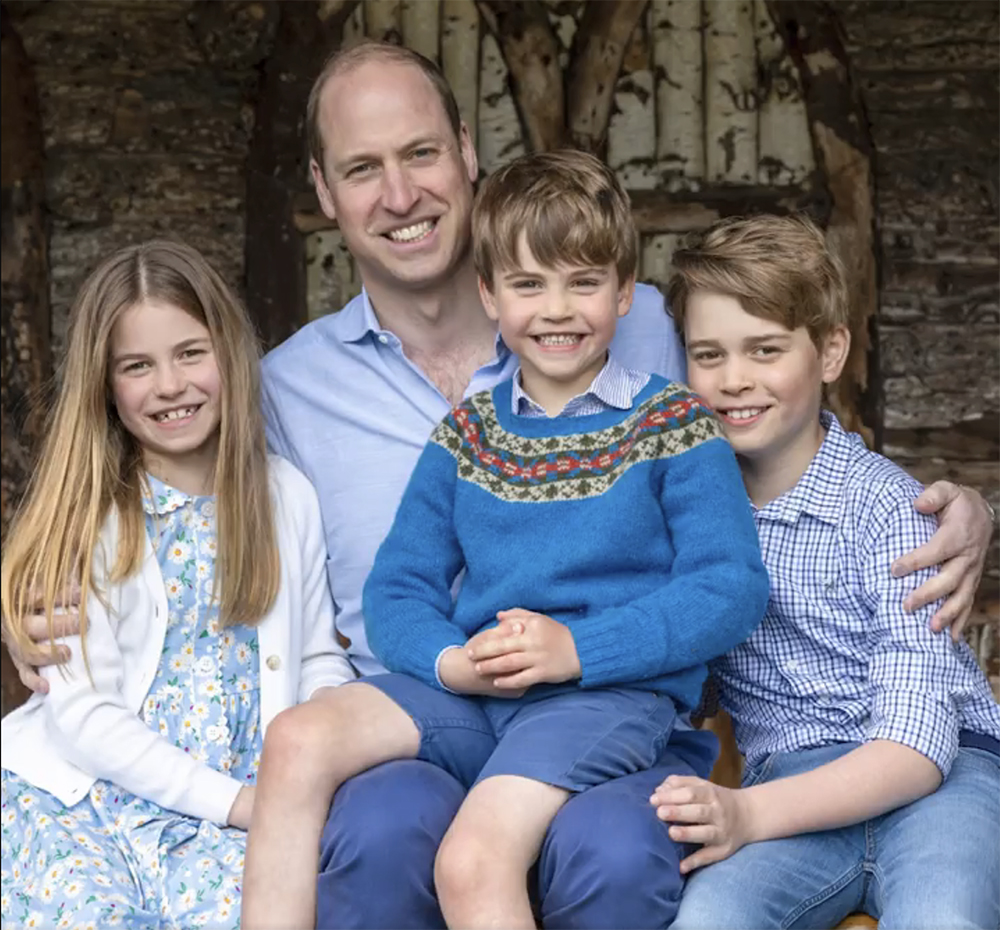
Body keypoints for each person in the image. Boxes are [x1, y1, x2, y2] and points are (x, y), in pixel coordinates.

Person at [3, 40, 994, 929]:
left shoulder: (659, 356)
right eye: (362, 168)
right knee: (345, 785)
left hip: (609, 699)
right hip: (443, 693)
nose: (398, 193)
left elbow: (777, 426)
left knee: (576, 851)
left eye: (420, 154)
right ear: (323, 189)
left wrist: (954, 502)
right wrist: (34, 579)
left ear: (468, 154)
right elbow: (163, 470)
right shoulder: (311, 396)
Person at [241, 149, 771, 929]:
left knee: (472, 861)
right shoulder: (468, 435)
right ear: (489, 294)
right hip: (474, 692)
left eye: (583, 281)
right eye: (528, 284)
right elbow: (399, 588)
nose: (557, 309)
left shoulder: (671, 424)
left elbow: (729, 586)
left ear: (627, 293)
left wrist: (579, 650)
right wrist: (450, 662)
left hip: (603, 697)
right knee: (295, 740)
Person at [647, 214, 1000, 930]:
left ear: (830, 351)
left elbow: (917, 746)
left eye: (766, 350)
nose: (734, 379)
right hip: (792, 786)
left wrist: (744, 812)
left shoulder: (892, 511)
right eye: (707, 355)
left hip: (941, 782)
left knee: (944, 917)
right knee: (706, 921)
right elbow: (692, 679)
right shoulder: (694, 518)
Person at [0, 240, 355, 929]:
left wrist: (310, 757)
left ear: (228, 351)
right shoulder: (91, 514)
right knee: (92, 913)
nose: (170, 385)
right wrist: (239, 803)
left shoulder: (284, 497)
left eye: (191, 353)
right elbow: (83, 717)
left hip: (240, 806)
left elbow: (318, 657)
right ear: (106, 386)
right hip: (93, 798)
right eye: (138, 366)